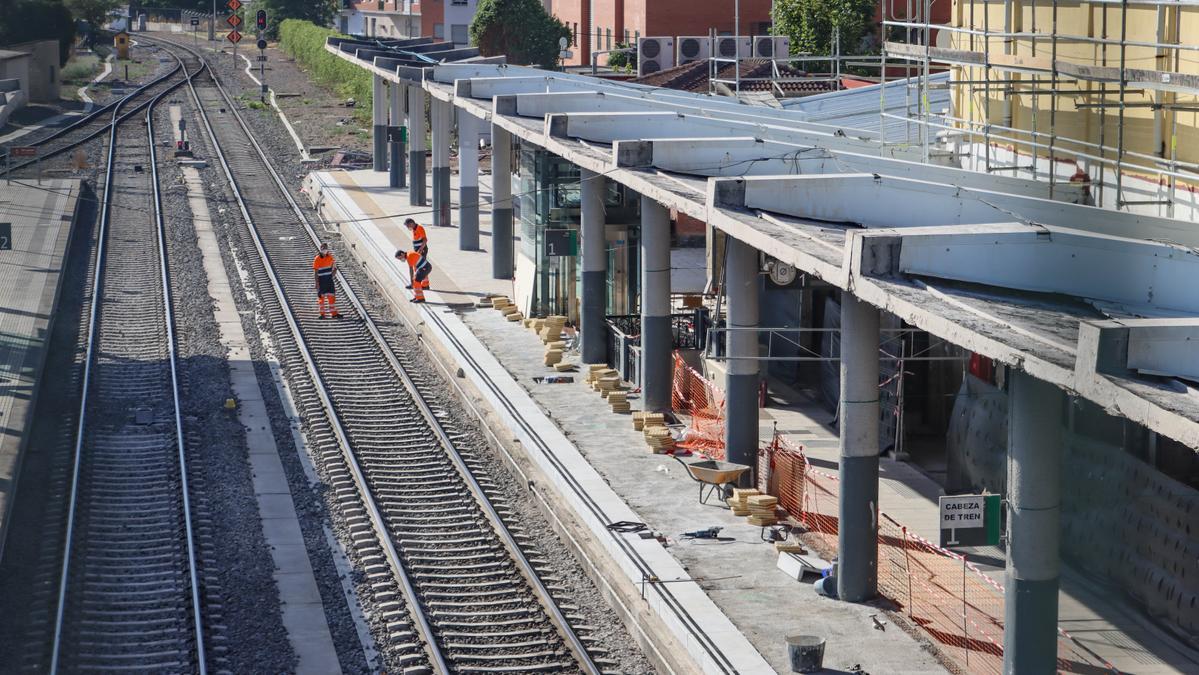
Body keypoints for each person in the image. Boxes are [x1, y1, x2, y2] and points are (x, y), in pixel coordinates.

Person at [313, 242, 340, 318]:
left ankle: (334, 314)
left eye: (325, 248)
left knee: (332, 297)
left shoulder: (330, 257)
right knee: (321, 298)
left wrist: (333, 274)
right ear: (320, 249)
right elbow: (315, 272)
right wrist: (317, 283)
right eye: (323, 248)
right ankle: (322, 314)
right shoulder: (317, 259)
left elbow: (334, 267)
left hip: (329, 281)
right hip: (321, 281)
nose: (324, 250)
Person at [403, 218, 430, 289]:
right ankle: (425, 284)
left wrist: (420, 250)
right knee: (421, 267)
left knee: (420, 267)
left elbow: (425, 239)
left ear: (411, 223)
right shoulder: (414, 229)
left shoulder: (419, 228)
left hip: (421, 250)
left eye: (408, 225)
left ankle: (420, 283)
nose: (407, 227)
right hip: (418, 251)